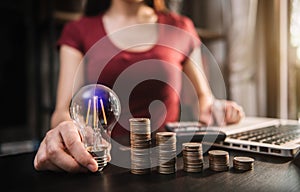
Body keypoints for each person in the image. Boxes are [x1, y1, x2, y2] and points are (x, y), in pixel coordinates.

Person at [34, 0, 245, 173]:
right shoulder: (79, 30)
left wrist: (218, 108)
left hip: (168, 164)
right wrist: (68, 131)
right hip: (105, 163)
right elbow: (63, 110)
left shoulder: (180, 27)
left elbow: (204, 99)